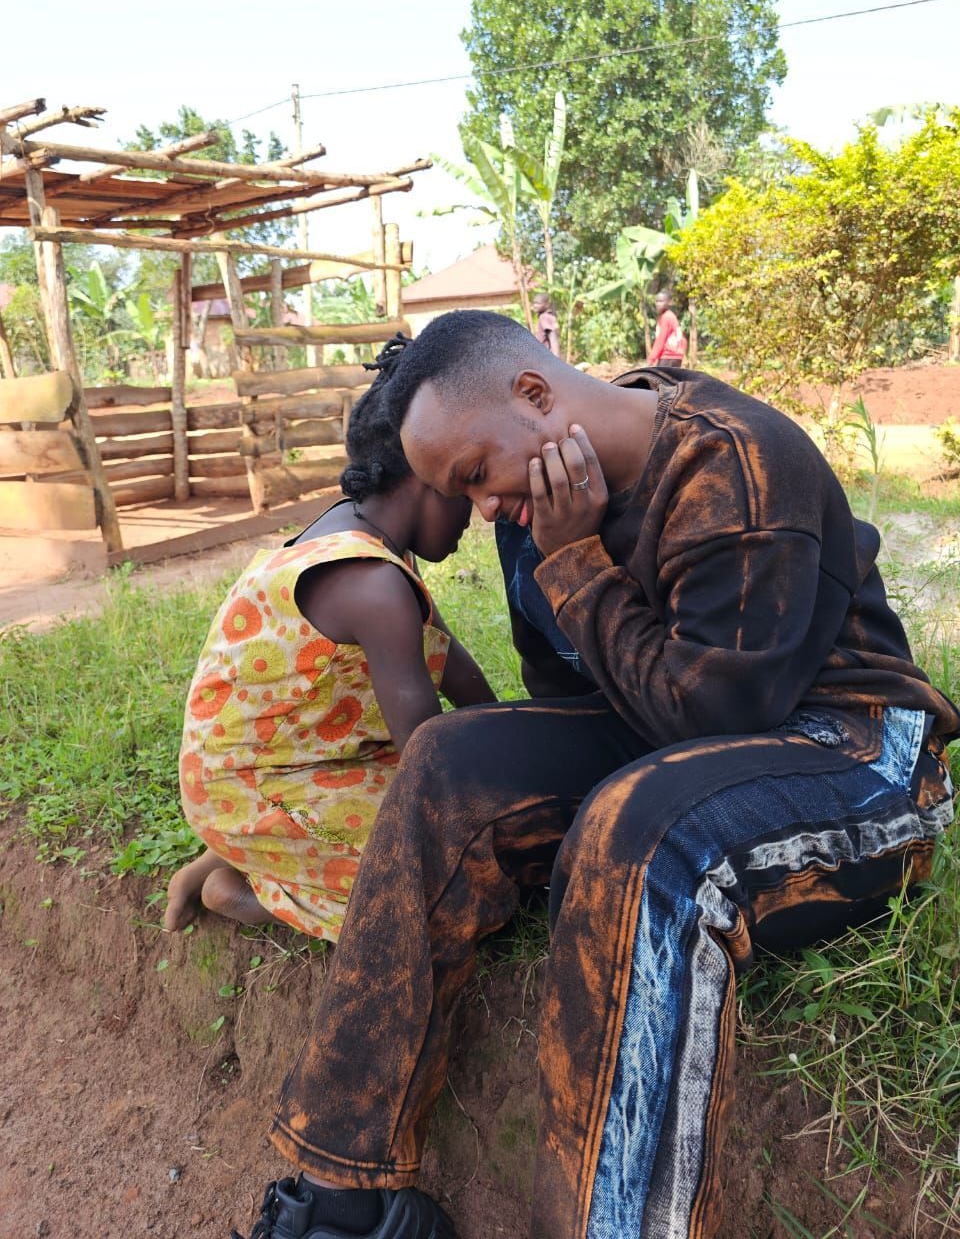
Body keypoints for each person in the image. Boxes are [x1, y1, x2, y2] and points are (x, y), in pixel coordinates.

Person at [240, 312, 957, 1239]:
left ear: (535, 397)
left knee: (643, 832)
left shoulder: (734, 464)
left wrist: (577, 563)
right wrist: (557, 562)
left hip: (853, 751)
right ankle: (339, 1194)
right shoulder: (535, 498)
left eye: (472, 476)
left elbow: (720, 717)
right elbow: (568, 689)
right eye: (459, 489)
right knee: (445, 759)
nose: (482, 506)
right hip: (671, 740)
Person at [164, 364, 493, 940]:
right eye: (467, 487)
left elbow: (457, 671)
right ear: (426, 475)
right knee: (457, 897)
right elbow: (426, 757)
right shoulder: (373, 584)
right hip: (244, 788)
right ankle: (240, 887)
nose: (481, 511)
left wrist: (518, 750)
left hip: (305, 761)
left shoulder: (372, 545)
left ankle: (240, 855)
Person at [648, 288, 687, 366]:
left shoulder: (666, 317)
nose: (658, 304)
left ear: (669, 302)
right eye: (657, 301)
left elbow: (661, 339)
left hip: (668, 356)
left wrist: (651, 358)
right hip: (676, 357)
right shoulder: (670, 316)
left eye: (661, 301)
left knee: (659, 378)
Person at [532, 290, 561, 358]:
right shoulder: (549, 316)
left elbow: (553, 339)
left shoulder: (544, 317)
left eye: (538, 303)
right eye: (534, 303)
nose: (535, 306)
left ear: (547, 304)